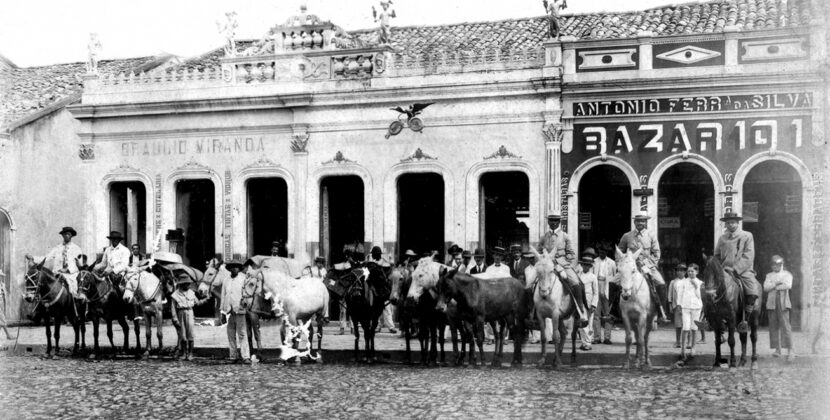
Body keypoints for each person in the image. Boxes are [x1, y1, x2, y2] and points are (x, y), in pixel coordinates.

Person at [714, 211, 761, 333]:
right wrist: (719, 269)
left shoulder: (747, 236)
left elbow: (748, 255)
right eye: (728, 223)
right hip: (724, 271)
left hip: (743, 270)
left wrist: (735, 269)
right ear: (726, 224)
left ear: (738, 223)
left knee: (752, 288)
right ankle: (708, 318)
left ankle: (746, 318)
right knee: (710, 289)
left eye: (733, 222)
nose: (731, 225)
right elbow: (717, 255)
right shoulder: (722, 238)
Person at [539, 212, 589, 327]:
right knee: (532, 282)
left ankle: (580, 310)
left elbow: (571, 254)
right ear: (548, 222)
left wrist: (563, 263)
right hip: (547, 265)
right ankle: (532, 313)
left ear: (559, 222)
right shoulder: (544, 237)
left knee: (576, 282)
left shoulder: (565, 236)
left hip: (562, 265)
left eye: (555, 221)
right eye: (551, 221)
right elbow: (539, 252)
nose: (553, 223)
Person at [618, 211, 668, 323]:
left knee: (661, 284)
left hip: (647, 266)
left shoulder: (651, 235)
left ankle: (661, 312)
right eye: (638, 221)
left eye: (643, 221)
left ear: (645, 223)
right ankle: (610, 312)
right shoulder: (627, 236)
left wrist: (649, 265)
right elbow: (619, 253)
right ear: (634, 222)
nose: (640, 223)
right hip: (629, 267)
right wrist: (622, 265)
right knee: (613, 282)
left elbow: (656, 254)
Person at [170, 273, 209, 360]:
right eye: (186, 284)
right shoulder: (175, 295)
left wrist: (206, 299)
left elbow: (197, 303)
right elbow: (173, 308)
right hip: (180, 313)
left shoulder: (191, 293)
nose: (188, 285)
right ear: (181, 284)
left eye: (189, 284)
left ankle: (190, 353)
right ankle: (184, 353)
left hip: (190, 312)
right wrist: (175, 318)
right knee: (183, 335)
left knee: (190, 334)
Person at [763, 255, 795, 361]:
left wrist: (773, 286)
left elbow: (788, 285)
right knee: (773, 326)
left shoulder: (787, 274)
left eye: (777, 265)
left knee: (786, 326)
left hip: (783, 303)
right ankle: (777, 349)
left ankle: (791, 350)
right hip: (772, 303)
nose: (775, 267)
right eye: (773, 265)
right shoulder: (769, 275)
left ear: (781, 265)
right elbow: (766, 288)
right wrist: (777, 283)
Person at [220, 258, 251, 364]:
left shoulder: (244, 279)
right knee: (230, 334)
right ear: (229, 269)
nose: (234, 269)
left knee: (242, 333)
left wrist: (245, 305)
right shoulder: (226, 280)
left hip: (240, 309)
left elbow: (247, 294)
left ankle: (245, 356)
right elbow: (223, 296)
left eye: (236, 267)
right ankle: (233, 355)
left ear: (239, 268)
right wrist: (222, 313)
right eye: (232, 267)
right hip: (229, 310)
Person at [44, 226, 83, 298]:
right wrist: (33, 258)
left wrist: (67, 269)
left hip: (70, 275)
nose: (66, 236)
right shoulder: (57, 248)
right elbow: (47, 257)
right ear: (62, 235)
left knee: (72, 290)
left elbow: (79, 265)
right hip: (58, 274)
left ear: (71, 235)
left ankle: (73, 304)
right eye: (64, 234)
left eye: (68, 234)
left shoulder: (76, 249)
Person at [676, 263, 703, 361]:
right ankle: (683, 349)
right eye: (689, 271)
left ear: (697, 272)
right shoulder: (683, 282)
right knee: (686, 327)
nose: (690, 273)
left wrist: (696, 287)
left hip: (696, 307)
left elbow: (700, 297)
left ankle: (693, 348)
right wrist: (679, 305)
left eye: (692, 271)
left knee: (694, 327)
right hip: (686, 307)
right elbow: (680, 294)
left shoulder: (700, 283)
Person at [367, 246, 396, 334]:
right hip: (375, 289)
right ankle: (377, 326)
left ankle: (391, 327)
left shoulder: (384, 263)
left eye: (375, 254)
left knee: (387, 308)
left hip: (383, 288)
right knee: (376, 309)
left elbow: (389, 272)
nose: (374, 255)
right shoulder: (372, 263)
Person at [592, 245, 617, 344]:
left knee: (608, 314)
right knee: (596, 314)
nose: (602, 254)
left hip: (607, 288)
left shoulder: (612, 263)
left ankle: (607, 337)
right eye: (601, 252)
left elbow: (615, 278)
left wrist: (613, 292)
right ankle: (597, 337)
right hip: (597, 285)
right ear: (598, 252)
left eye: (604, 252)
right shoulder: (594, 262)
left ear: (607, 252)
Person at [577, 254, 598, 351]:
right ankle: (584, 342)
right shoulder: (578, 275)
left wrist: (594, 304)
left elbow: (596, 292)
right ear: (581, 265)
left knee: (589, 323)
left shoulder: (593, 277)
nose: (586, 267)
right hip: (580, 302)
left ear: (590, 266)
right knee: (582, 322)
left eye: (588, 265)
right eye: (584, 265)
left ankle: (588, 342)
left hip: (589, 302)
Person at [668, 264, 687, 348]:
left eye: (682, 271)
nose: (679, 272)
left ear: (685, 272)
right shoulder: (673, 282)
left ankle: (687, 342)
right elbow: (670, 295)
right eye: (678, 270)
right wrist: (670, 305)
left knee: (687, 324)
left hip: (686, 305)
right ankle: (678, 341)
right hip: (677, 305)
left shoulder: (688, 281)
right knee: (678, 325)